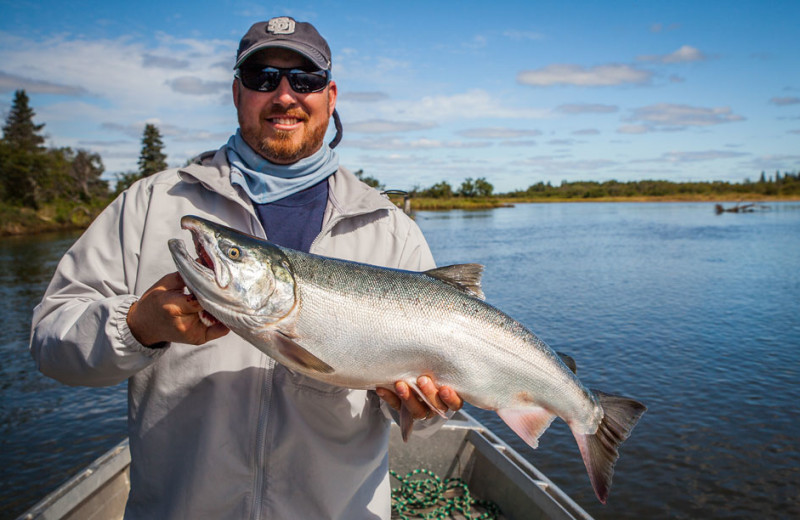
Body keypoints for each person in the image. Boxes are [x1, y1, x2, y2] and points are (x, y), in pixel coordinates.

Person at [30, 16, 462, 520]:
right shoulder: (152, 204)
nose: (284, 95)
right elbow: (49, 341)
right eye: (263, 78)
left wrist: (424, 409)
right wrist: (136, 327)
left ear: (331, 95)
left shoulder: (390, 230)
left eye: (305, 80)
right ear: (237, 93)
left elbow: (430, 411)